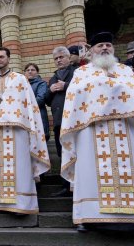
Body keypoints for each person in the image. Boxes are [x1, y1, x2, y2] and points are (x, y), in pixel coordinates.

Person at [60, 32, 134, 232]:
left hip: (126, 129)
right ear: (92, 50)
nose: (105, 48)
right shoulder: (82, 73)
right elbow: (74, 98)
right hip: (91, 132)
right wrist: (109, 90)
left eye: (108, 44)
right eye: (100, 45)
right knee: (91, 172)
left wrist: (113, 89)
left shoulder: (126, 71)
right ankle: (91, 217)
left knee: (132, 171)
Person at [0, 47, 50, 215]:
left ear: (8, 59)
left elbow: (30, 105)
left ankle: (22, 204)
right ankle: (0, 203)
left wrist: (31, 127)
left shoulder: (20, 79)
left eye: (1, 57)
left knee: (20, 166)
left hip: (17, 130)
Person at [46, 46, 78, 197]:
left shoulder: (77, 73)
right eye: (56, 58)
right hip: (59, 122)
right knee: (62, 153)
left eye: (61, 57)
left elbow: (83, 90)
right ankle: (66, 186)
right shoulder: (53, 77)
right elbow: (46, 100)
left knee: (76, 153)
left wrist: (66, 86)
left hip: (74, 120)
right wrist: (50, 90)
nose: (59, 60)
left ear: (68, 58)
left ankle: (78, 184)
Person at [25, 63, 50, 141]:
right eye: (27, 70)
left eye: (32, 70)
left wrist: (23, 105)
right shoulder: (22, 85)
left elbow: (40, 100)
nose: (30, 72)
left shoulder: (42, 84)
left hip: (39, 117)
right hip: (26, 119)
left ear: (37, 72)